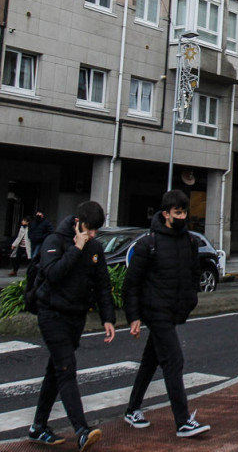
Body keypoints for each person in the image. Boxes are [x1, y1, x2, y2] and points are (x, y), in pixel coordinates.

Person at [28, 201, 116, 451]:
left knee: (55, 372)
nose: (92, 235)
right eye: (89, 229)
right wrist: (76, 249)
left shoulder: (95, 248)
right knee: (66, 369)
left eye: (96, 231)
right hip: (51, 314)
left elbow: (102, 285)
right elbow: (52, 274)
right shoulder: (54, 241)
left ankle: (37, 427)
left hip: (75, 317)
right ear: (78, 223)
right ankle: (81, 429)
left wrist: (108, 318)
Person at [123, 189, 210, 437]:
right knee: (174, 360)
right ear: (166, 214)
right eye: (177, 212)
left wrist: (190, 300)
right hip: (156, 311)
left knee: (151, 360)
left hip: (174, 311)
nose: (182, 217)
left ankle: (132, 408)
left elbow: (193, 275)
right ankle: (182, 421)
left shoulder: (189, 242)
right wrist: (134, 317)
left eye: (184, 212)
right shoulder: (148, 244)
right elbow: (131, 284)